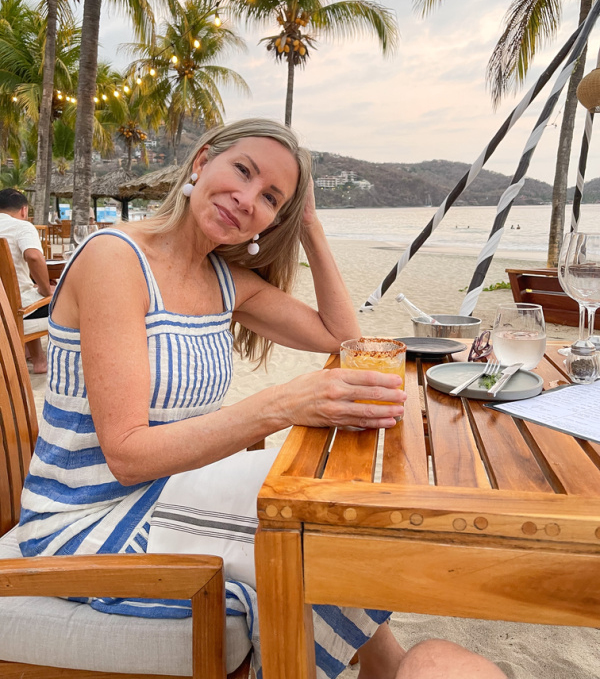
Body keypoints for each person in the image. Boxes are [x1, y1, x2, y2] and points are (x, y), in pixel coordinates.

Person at [17, 120, 505, 679]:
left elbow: (344, 340)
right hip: (88, 522)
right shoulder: (115, 259)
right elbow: (127, 455)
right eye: (242, 171)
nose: (247, 199)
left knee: (343, 517)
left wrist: (312, 227)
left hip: (169, 496)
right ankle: (378, 667)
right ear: (202, 162)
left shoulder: (222, 279)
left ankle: (380, 667)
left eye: (271, 197)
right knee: (318, 549)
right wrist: (282, 404)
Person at [0, 188, 54, 372]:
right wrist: (46, 290)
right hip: (14, 310)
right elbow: (34, 257)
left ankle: (38, 359)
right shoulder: (21, 227)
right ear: (24, 210)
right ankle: (42, 360)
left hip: (11, 305)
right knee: (58, 297)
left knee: (30, 292)